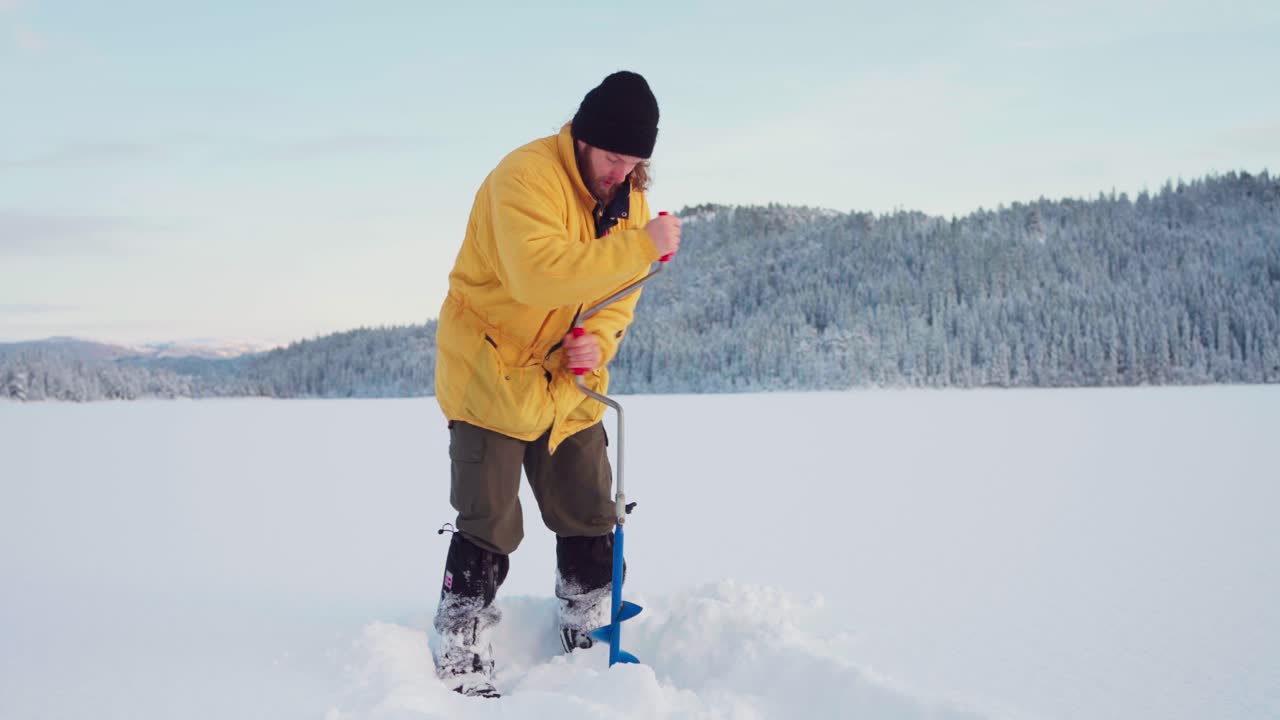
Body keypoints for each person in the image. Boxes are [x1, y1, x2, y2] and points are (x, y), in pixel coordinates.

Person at [430, 71, 681, 698]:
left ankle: (587, 613)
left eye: (634, 162)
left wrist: (596, 342)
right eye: (613, 157)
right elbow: (536, 276)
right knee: (489, 515)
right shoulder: (525, 176)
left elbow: (619, 298)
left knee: (590, 504)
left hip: (566, 380)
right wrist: (639, 248)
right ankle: (461, 632)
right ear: (584, 138)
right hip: (492, 367)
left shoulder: (630, 201)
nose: (622, 173)